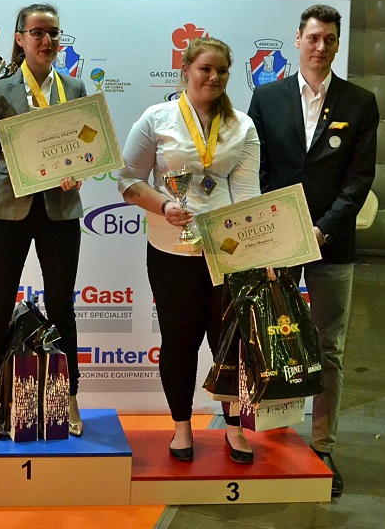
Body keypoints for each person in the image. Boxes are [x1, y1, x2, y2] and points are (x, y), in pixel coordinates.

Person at [248, 4, 378, 496]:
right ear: (298, 40)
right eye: (314, 37)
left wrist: (322, 231)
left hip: (332, 243)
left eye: (330, 39)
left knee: (329, 348)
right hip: (275, 245)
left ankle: (323, 447)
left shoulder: (360, 102)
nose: (321, 46)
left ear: (337, 44)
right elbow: (256, 171)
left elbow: (358, 180)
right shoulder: (267, 97)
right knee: (271, 342)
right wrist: (275, 231)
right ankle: (268, 439)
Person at [117, 37, 261, 464]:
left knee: (231, 345)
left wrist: (254, 250)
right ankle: (182, 427)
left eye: (222, 71)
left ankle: (234, 428)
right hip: (170, 251)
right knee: (179, 343)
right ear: (186, 71)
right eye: (205, 69)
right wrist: (163, 206)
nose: (214, 77)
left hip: (227, 254)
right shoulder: (156, 118)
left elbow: (247, 193)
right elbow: (127, 179)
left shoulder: (242, 126)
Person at [0, 3, 86, 440]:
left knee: (62, 308)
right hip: (9, 210)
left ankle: (69, 395)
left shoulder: (75, 87)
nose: (47, 40)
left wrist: (81, 169)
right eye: (38, 32)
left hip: (60, 211)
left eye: (54, 33)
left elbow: (85, 146)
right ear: (20, 38)